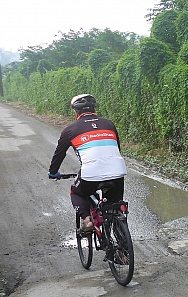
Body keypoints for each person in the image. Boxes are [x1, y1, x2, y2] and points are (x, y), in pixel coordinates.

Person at [48, 94, 128, 232]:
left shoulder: (69, 130)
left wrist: (53, 172)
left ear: (76, 112)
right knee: (114, 207)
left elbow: (59, 154)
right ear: (94, 110)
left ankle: (87, 220)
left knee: (76, 192)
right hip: (117, 171)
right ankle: (121, 244)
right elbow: (116, 149)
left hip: (91, 174)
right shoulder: (109, 124)